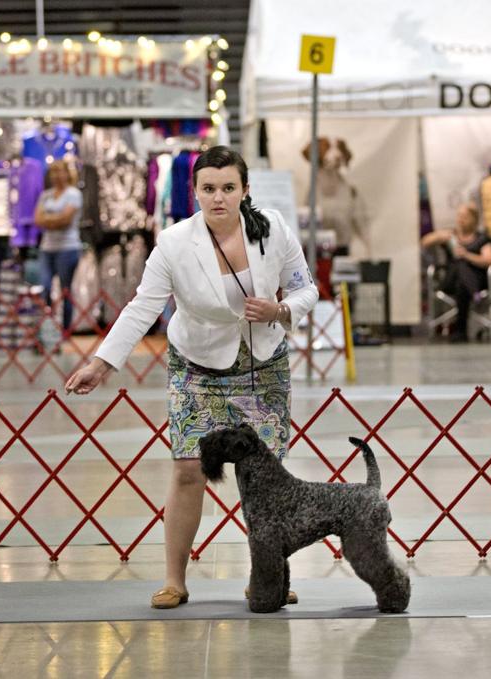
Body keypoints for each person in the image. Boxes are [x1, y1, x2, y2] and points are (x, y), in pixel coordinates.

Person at [65, 146, 319, 610]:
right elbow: (142, 307)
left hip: (264, 364)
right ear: (194, 192)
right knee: (187, 470)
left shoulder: (275, 229)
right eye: (208, 189)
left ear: (245, 190)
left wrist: (281, 309)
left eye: (228, 188)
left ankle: (267, 579)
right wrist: (101, 363)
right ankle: (174, 581)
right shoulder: (174, 242)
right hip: (197, 364)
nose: (218, 198)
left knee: (263, 479)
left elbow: (307, 289)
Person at [422, 203, 491, 342]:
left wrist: (467, 255)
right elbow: (425, 242)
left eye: (465, 217)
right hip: (451, 279)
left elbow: (489, 259)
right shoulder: (451, 236)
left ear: (474, 219)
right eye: (459, 216)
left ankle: (461, 330)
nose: (461, 219)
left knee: (462, 275)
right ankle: (476, 296)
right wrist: (439, 236)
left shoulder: (481, 239)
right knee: (459, 266)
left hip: (472, 281)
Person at [34, 160, 83, 337]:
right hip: (47, 248)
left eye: (60, 172)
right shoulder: (46, 195)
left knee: (65, 290)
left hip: (68, 247)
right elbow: (38, 220)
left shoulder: (74, 194)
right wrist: (55, 220)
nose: (57, 176)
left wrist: (49, 220)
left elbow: (66, 220)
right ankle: (48, 326)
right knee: (45, 286)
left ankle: (66, 330)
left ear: (67, 173)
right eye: (53, 172)